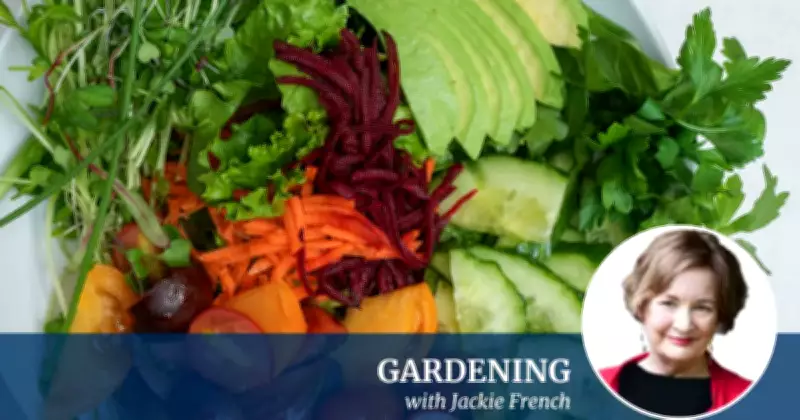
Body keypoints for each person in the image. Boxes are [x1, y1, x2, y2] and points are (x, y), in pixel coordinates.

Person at [599, 229, 751, 417]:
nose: (684, 325)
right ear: (642, 305)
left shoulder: (752, 398)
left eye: (702, 308)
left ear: (720, 315)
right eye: (669, 303)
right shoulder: (592, 386)